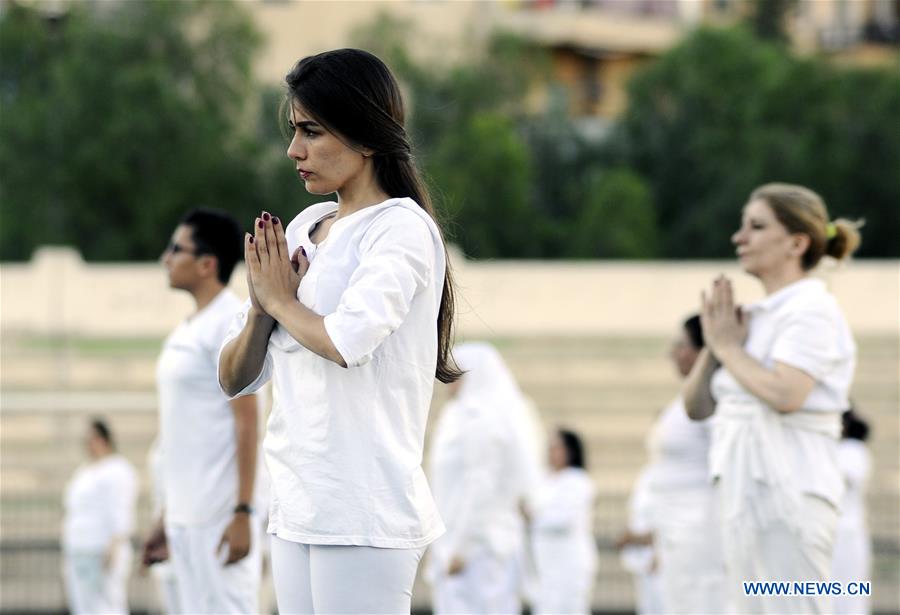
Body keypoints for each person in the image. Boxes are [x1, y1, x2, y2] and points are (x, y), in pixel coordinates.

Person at [217, 48, 461, 614]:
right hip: (297, 506)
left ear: (366, 135)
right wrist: (260, 311)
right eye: (294, 130)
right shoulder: (304, 226)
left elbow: (347, 341)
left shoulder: (400, 228)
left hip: (364, 512)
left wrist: (280, 298)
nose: (293, 150)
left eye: (311, 131)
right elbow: (233, 378)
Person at [684, 183, 861, 613]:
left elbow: (786, 393)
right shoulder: (756, 317)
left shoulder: (812, 309)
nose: (739, 238)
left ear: (797, 243)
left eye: (756, 227)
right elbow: (696, 408)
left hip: (791, 491)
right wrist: (714, 345)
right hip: (744, 493)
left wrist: (729, 350)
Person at [143, 208, 263, 614]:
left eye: (177, 249)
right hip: (184, 516)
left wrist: (243, 512)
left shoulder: (229, 322)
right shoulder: (190, 327)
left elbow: (248, 421)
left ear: (208, 264)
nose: (166, 258)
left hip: (218, 518)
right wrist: (166, 513)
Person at [427, 342, 534, 614]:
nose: (449, 383)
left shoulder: (482, 420)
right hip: (456, 546)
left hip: (480, 549)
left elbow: (481, 487)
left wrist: (463, 547)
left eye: (456, 375)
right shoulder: (459, 416)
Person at [645, 315, 727, 613]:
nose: (673, 354)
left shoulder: (713, 397)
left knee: (700, 597)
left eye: (681, 346)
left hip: (700, 525)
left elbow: (724, 465)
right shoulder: (681, 403)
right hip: (676, 526)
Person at [62, 418, 138, 615]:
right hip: (80, 548)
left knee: (107, 605)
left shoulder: (118, 469)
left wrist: (114, 544)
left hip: (102, 550)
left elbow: (121, 509)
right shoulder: (84, 471)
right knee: (83, 606)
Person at [527, 428, 597, 615]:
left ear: (569, 450)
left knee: (570, 607)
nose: (551, 451)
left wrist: (533, 518)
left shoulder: (578, 480)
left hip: (569, 561)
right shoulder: (544, 479)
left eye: (556, 447)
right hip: (545, 562)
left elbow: (564, 519)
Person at [832, 409, 872, 615]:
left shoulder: (852, 449)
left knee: (847, 594)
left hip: (845, 533)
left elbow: (844, 476)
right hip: (839, 533)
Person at [616, 468, 665, 615]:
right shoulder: (647, 475)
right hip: (643, 561)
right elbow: (637, 516)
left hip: (662, 559)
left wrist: (658, 550)